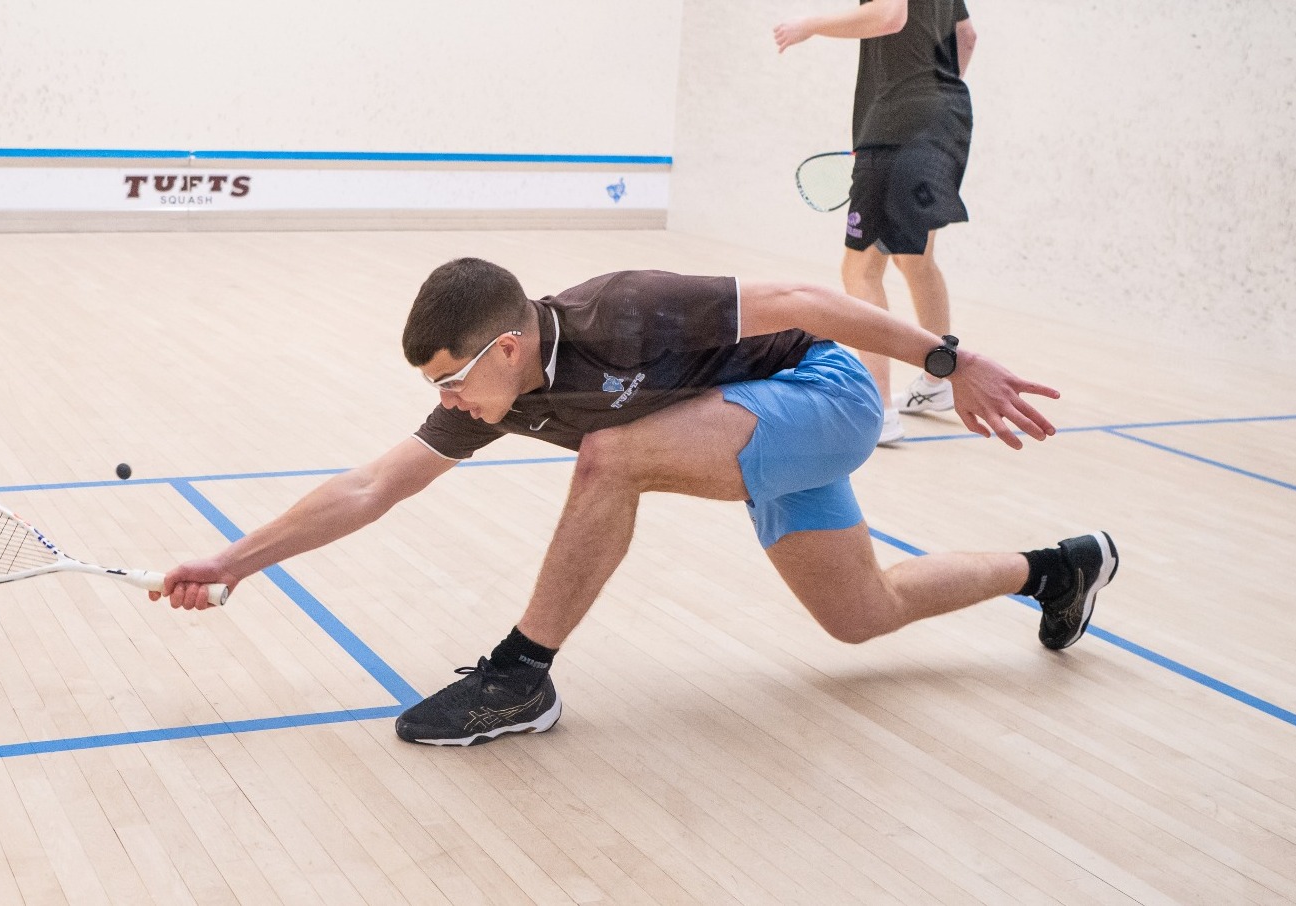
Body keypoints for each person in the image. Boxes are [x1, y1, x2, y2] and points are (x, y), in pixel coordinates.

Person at [153, 259, 1118, 747]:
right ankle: (1059, 568)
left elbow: (802, 298)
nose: (444, 404)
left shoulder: (621, 309)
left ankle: (520, 677)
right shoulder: (501, 394)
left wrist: (949, 362)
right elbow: (371, 486)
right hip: (758, 425)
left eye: (451, 382)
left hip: (824, 394)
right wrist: (231, 562)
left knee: (611, 455)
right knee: (862, 615)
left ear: (506, 347)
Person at [773, 0, 979, 444]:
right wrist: (930, 102)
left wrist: (810, 24)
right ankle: (937, 383)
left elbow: (889, 15)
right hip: (947, 120)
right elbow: (966, 37)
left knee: (861, 267)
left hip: (898, 125)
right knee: (915, 259)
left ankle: (877, 410)